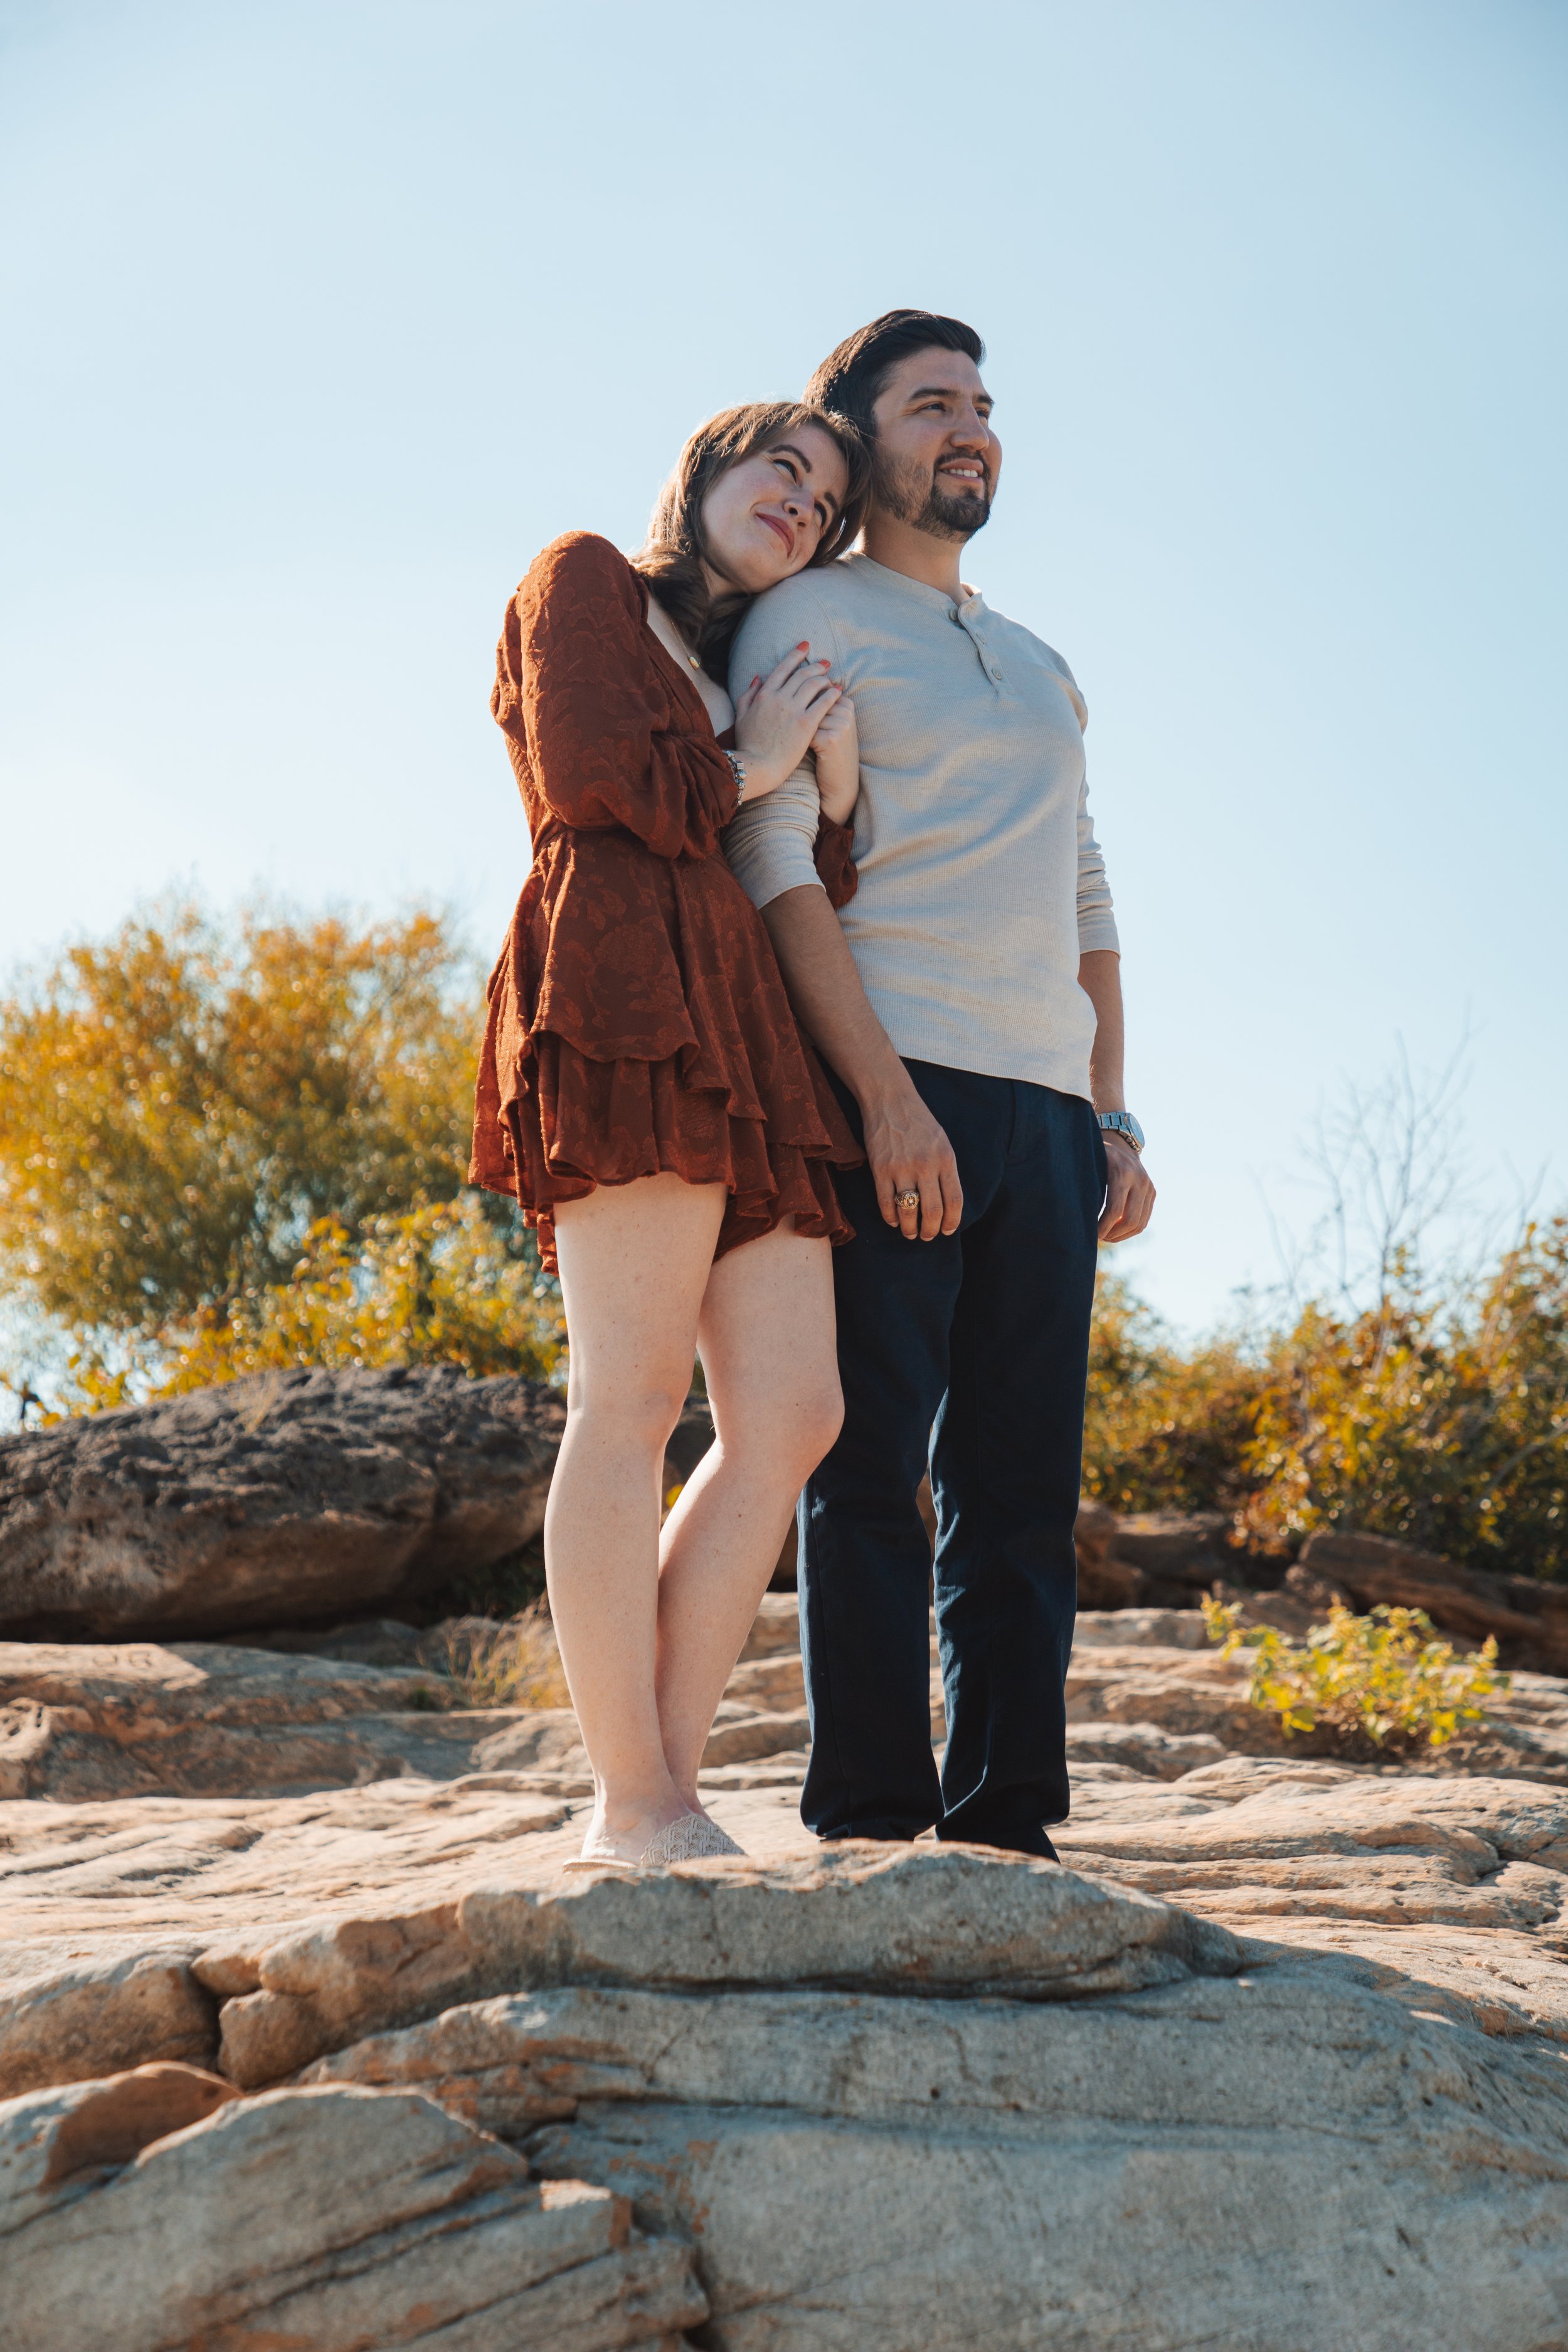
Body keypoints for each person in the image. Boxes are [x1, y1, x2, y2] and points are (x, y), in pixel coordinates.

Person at [724, 312, 1157, 1858]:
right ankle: (864, 1820)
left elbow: (1087, 895)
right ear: (864, 440)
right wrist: (883, 1103)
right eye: (929, 405)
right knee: (864, 1481)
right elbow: (770, 855)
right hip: (891, 1083)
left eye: (980, 404)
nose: (968, 428)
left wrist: (1107, 1112)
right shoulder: (804, 620)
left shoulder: (1040, 665)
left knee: (1020, 1497)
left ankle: (1007, 1834)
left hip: (1045, 1120)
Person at [470, 401, 871, 1869]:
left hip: (746, 1024)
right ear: (704, 470)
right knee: (628, 1399)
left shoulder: (742, 670)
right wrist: (760, 765)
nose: (802, 507)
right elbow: (593, 779)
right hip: (621, 980)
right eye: (781, 468)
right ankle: (631, 1802)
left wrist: (820, 790)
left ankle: (668, 1789)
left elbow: (781, 859)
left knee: (792, 1416)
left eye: (826, 502)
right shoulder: (582, 577)